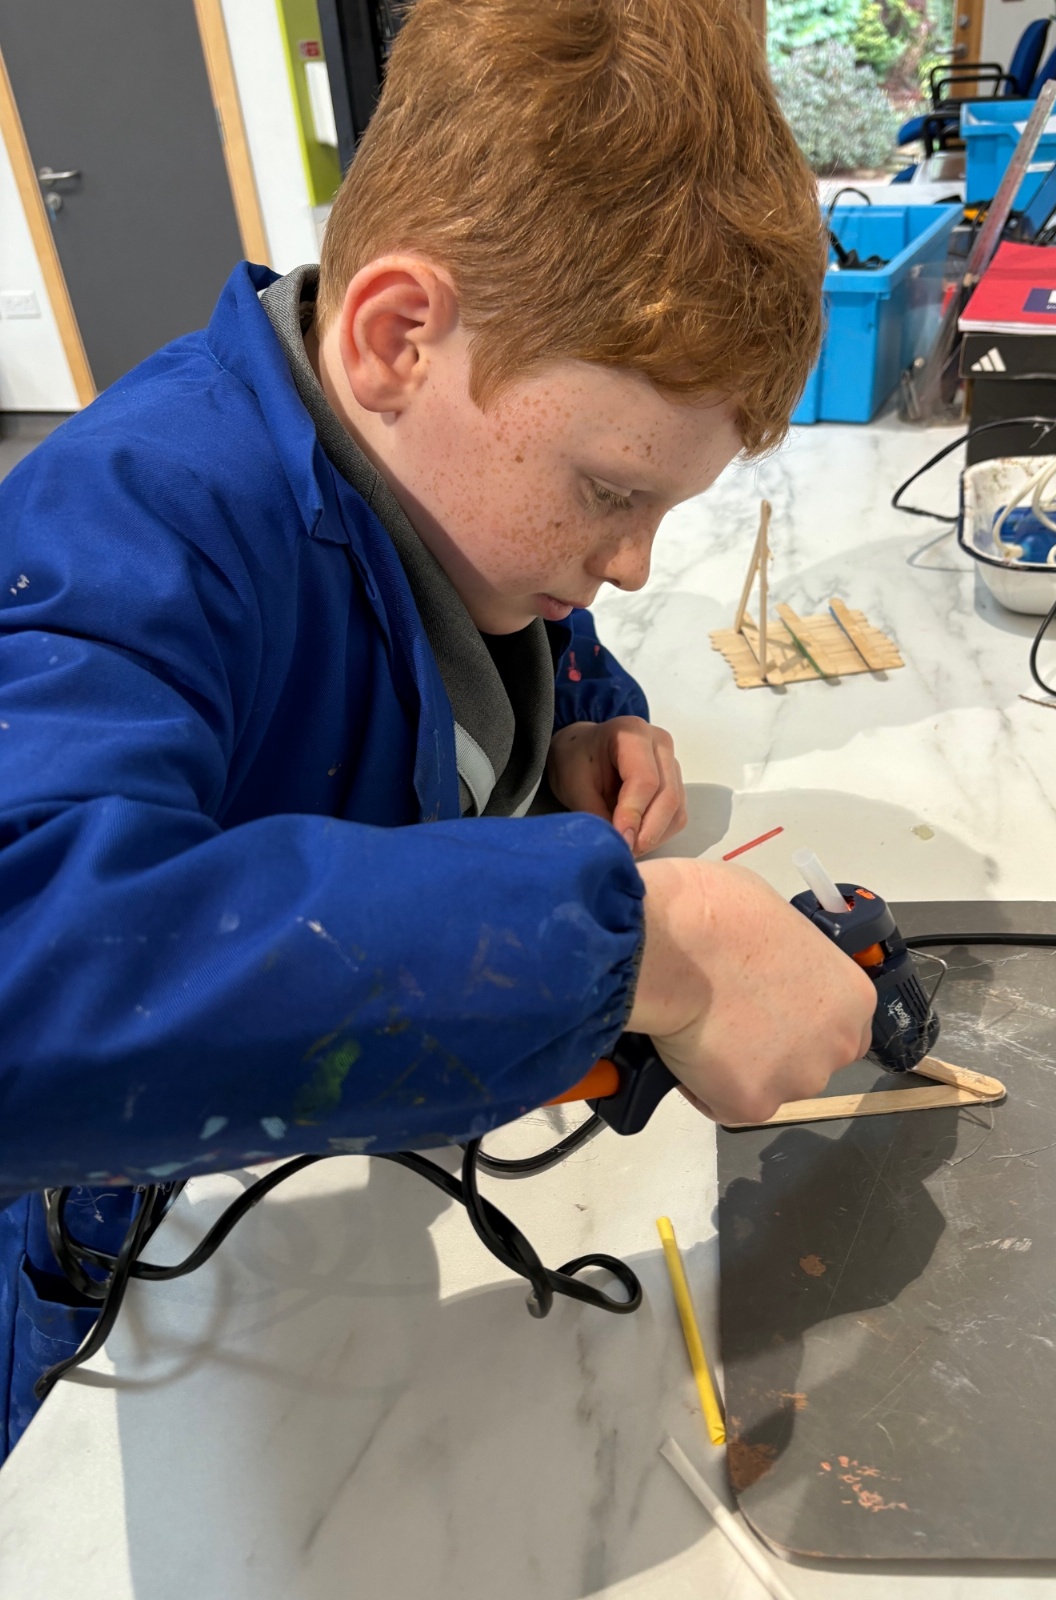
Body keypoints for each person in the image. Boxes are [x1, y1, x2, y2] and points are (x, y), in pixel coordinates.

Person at [0, 0, 875, 1456]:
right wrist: (646, 946)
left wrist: (581, 725)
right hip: (93, 1284)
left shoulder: (430, 484)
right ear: (397, 335)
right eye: (613, 494)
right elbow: (34, 956)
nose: (632, 563)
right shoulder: (127, 521)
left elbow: (489, 627)